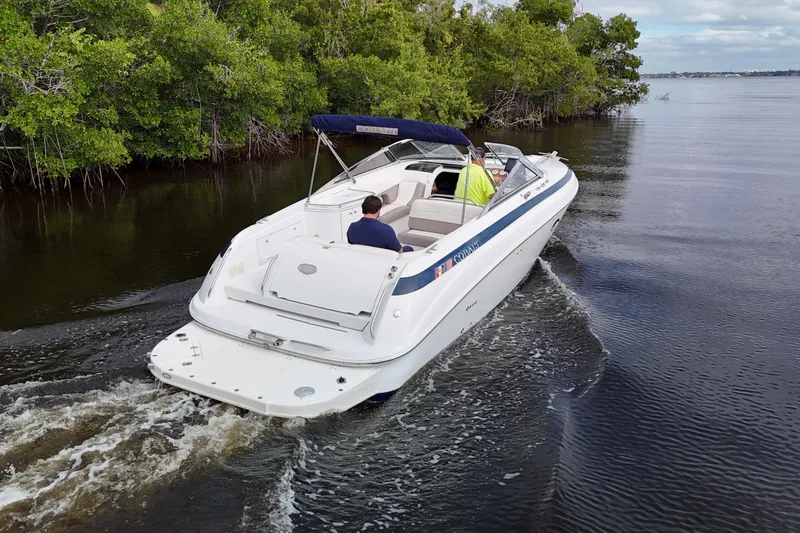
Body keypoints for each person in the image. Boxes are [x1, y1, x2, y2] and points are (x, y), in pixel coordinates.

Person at [347, 195, 414, 253]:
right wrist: (409, 248)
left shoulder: (352, 227)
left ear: (363, 209)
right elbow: (399, 251)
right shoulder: (386, 230)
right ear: (378, 210)